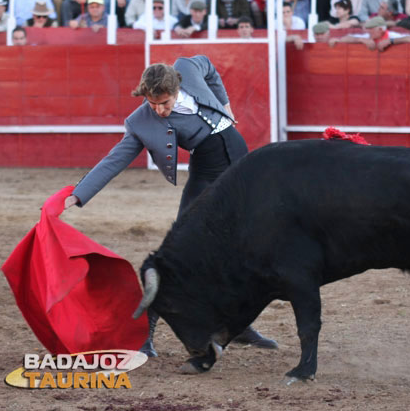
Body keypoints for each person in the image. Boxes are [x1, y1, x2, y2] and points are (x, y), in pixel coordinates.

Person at [63, 55, 278, 355]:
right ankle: (144, 333)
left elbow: (211, 69)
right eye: (153, 104)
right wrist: (79, 193)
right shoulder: (141, 121)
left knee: (240, 250)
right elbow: (115, 159)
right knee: (179, 252)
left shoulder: (188, 68)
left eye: (164, 103)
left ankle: (236, 326)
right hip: (208, 174)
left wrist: (225, 105)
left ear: (177, 88)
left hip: (240, 161)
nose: (159, 110)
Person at [328, 15, 410, 50]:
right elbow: (345, 38)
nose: (368, 31)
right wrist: (360, 39)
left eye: (371, 29)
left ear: (381, 30)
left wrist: (390, 41)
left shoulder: (392, 35)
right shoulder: (367, 36)